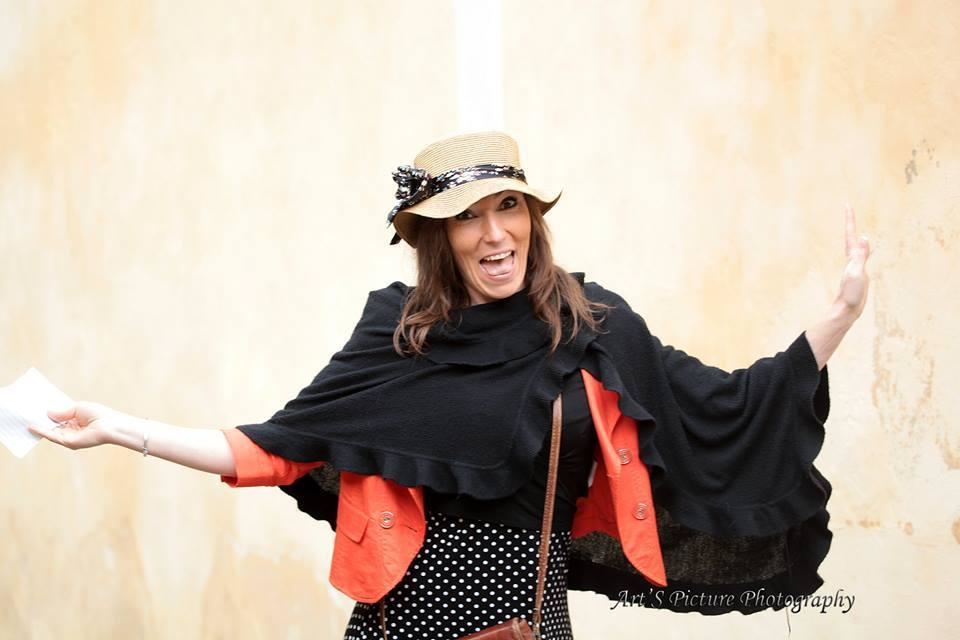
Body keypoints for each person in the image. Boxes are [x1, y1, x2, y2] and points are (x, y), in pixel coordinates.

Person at [30, 131, 870, 639]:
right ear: (437, 236)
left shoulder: (596, 327)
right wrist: (120, 428)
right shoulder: (394, 334)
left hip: (529, 627)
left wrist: (839, 315)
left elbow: (729, 405)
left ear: (531, 219)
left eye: (509, 207)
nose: (494, 232)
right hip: (399, 628)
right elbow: (274, 447)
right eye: (469, 215)